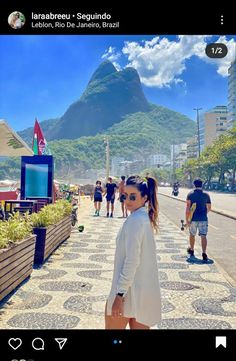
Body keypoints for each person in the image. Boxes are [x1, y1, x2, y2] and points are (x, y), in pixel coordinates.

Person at [105, 175, 161, 329]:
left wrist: (119, 295)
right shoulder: (143, 219)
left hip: (127, 293)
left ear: (144, 198)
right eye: (125, 196)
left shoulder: (136, 221)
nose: (127, 200)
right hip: (143, 294)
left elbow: (132, 261)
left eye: (133, 196)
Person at [186, 178, 211, 261]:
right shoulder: (206, 195)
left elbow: (188, 208)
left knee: (192, 235)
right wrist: (204, 213)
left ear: (194, 185)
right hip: (203, 218)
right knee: (203, 236)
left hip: (193, 219)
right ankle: (204, 253)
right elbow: (209, 207)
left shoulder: (190, 194)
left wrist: (187, 219)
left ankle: (192, 250)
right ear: (202, 184)